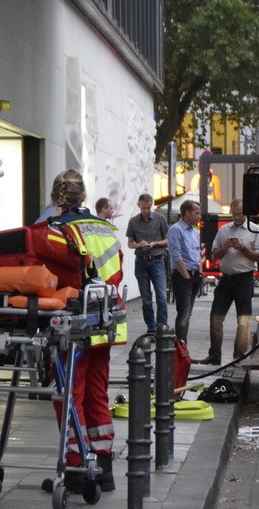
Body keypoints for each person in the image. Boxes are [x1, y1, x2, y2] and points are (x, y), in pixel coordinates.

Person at [47, 170, 124, 491]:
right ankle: (102, 463)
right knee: (96, 391)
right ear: (83, 196)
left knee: (69, 394)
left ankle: (77, 468)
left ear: (55, 198)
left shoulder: (55, 231)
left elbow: (49, 280)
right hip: (105, 322)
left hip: (72, 324)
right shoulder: (106, 229)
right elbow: (115, 274)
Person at [197, 199, 259, 365]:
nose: (235, 217)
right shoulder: (224, 230)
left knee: (244, 320)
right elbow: (213, 255)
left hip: (245, 279)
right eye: (233, 214)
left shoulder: (255, 230)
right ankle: (214, 355)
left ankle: (239, 356)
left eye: (239, 214)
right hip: (226, 279)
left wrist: (243, 248)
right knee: (216, 317)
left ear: (245, 213)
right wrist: (224, 248)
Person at [126, 194, 170, 332]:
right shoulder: (133, 221)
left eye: (148, 208)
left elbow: (168, 239)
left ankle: (161, 327)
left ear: (152, 205)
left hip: (157, 261)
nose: (146, 210)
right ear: (138, 205)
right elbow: (129, 244)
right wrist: (139, 244)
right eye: (143, 208)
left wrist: (155, 244)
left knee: (161, 297)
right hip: (141, 262)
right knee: (146, 299)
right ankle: (151, 328)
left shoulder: (159, 219)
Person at [168, 199, 204, 342]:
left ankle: (183, 347)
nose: (199, 216)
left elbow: (197, 254)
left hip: (195, 275)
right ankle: (181, 348)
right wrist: (186, 277)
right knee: (183, 314)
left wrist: (200, 273)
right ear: (187, 213)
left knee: (188, 314)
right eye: (197, 213)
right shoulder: (176, 229)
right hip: (183, 276)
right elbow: (176, 255)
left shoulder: (194, 232)